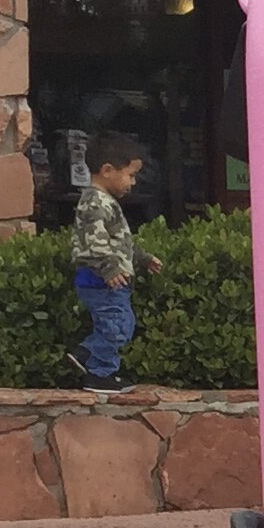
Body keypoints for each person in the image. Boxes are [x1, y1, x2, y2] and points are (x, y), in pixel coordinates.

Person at [68, 133, 162, 392]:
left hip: (110, 279)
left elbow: (118, 242)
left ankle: (88, 356)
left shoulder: (105, 202)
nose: (133, 182)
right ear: (107, 170)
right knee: (116, 325)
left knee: (122, 323)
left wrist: (141, 258)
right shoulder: (94, 202)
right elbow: (94, 243)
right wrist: (109, 269)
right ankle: (98, 372)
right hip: (101, 280)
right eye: (130, 175)